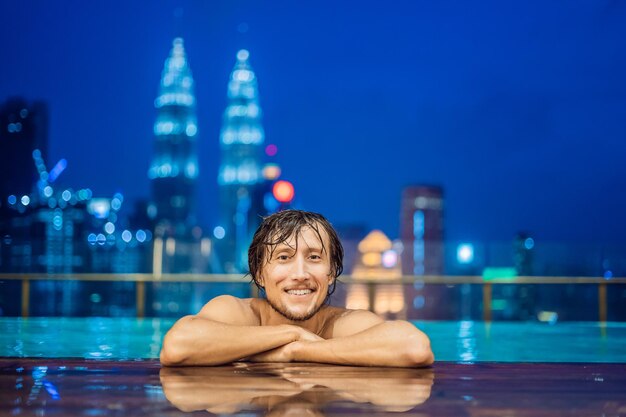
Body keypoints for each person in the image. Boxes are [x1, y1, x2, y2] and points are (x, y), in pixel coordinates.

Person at [160, 210, 434, 367]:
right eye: (283, 258)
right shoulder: (238, 313)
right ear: (259, 273)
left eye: (314, 258)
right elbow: (177, 346)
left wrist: (296, 351)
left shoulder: (341, 324)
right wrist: (291, 333)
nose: (300, 274)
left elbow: (415, 347)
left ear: (330, 274)